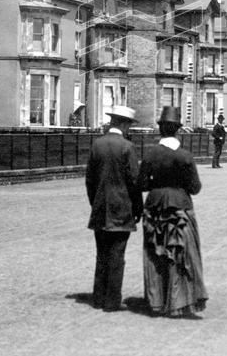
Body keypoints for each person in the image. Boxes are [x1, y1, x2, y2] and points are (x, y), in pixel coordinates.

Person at [137, 106, 208, 317]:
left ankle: (156, 301)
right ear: (178, 129)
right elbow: (195, 188)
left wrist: (156, 184)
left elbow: (141, 184)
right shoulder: (185, 156)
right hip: (180, 208)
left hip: (155, 206)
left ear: (160, 128)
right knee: (181, 255)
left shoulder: (150, 154)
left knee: (155, 252)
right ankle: (178, 302)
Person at [85, 105, 143, 312]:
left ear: (112, 122)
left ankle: (98, 296)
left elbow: (89, 180)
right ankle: (111, 301)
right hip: (122, 209)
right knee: (117, 256)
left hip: (100, 208)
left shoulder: (97, 145)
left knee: (101, 254)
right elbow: (134, 182)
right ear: (124, 124)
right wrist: (138, 208)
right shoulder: (127, 147)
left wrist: (96, 202)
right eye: (129, 125)